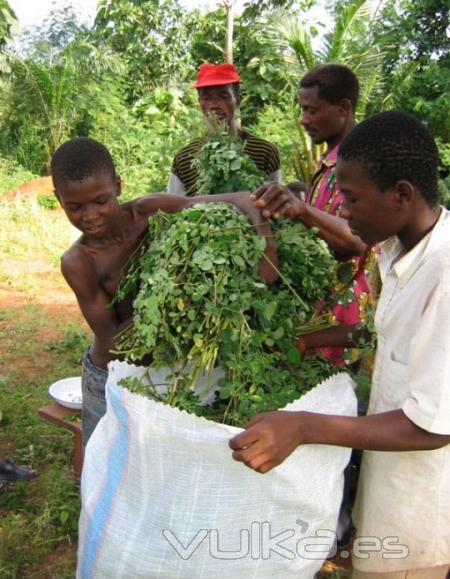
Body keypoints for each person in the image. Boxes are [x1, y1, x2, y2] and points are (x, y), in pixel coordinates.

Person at [230, 110, 450, 579]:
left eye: (350, 198)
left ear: (401, 194)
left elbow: (433, 426)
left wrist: (304, 426)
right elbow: (389, 342)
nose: (343, 212)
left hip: (419, 518)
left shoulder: (444, 276)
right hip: (390, 488)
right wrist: (313, 340)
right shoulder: (398, 249)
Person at [51, 137, 278, 448]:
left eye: (100, 201)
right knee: (102, 458)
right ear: (58, 200)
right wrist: (169, 289)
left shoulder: (149, 212)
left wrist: (267, 246)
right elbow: (114, 341)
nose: (90, 216)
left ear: (117, 186)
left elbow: (241, 199)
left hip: (161, 371)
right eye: (74, 207)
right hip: (109, 377)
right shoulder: (79, 263)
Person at [251, 63, 376, 365]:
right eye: (302, 110)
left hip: (343, 325)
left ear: (343, 108)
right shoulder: (327, 165)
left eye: (312, 111)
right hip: (319, 317)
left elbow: (355, 241)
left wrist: (303, 211)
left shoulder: (358, 163)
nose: (304, 120)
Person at [168, 63, 281, 196]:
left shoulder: (264, 152)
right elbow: (173, 207)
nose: (214, 105)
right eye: (207, 98)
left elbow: (277, 204)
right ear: (200, 102)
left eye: (223, 96)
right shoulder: (185, 158)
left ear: (237, 100)